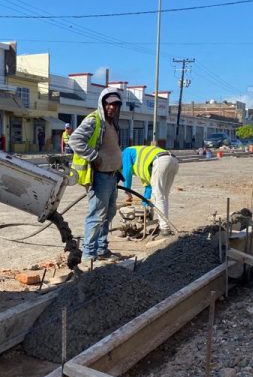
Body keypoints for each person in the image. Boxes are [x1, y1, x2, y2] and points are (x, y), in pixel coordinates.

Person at [69, 88, 123, 265]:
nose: (112, 107)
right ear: (102, 103)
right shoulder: (94, 120)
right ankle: (88, 254)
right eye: (109, 104)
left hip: (112, 175)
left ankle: (101, 249)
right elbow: (75, 140)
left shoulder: (112, 123)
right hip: (100, 176)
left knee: (109, 213)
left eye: (115, 104)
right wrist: (94, 157)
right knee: (97, 215)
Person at [120, 145, 180, 236]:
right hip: (173, 161)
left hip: (160, 161)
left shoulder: (126, 152)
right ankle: (163, 226)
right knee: (163, 196)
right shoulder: (143, 165)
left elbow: (127, 171)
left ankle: (164, 229)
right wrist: (144, 207)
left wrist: (127, 191)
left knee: (158, 197)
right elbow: (149, 187)